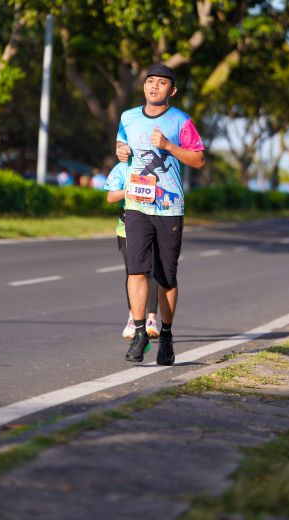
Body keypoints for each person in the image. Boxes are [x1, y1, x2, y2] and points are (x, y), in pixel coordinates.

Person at [116, 63, 205, 365]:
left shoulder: (181, 120)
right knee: (136, 270)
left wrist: (168, 146)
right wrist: (120, 151)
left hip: (169, 208)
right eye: (150, 81)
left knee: (166, 276)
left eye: (162, 82)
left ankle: (165, 334)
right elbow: (121, 142)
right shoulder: (128, 117)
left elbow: (198, 159)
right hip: (136, 205)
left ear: (172, 90)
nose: (154, 86)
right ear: (144, 85)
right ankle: (140, 331)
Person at [104, 162, 160, 339]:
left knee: (152, 271)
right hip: (126, 228)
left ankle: (152, 320)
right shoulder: (122, 167)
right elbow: (111, 197)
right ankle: (132, 319)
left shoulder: (158, 164)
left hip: (155, 224)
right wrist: (131, 190)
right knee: (133, 273)